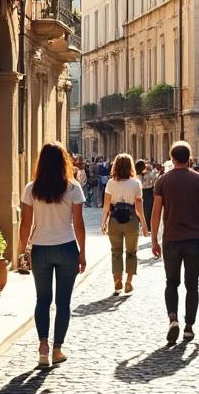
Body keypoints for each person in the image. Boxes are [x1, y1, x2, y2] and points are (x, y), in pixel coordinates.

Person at [18, 142, 87, 369]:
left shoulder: (31, 188)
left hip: (40, 248)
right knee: (63, 302)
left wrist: (22, 250)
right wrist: (83, 253)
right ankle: (57, 349)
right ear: (63, 162)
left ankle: (43, 346)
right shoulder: (73, 188)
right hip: (67, 247)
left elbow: (25, 223)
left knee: (42, 299)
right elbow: (79, 225)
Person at [151, 141, 199, 344]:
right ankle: (189, 327)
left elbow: (156, 212)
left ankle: (173, 318)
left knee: (171, 282)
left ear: (172, 159)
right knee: (192, 285)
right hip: (195, 240)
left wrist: (154, 239)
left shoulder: (162, 181)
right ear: (189, 158)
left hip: (171, 239)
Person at [102, 153, 148, 295]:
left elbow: (106, 206)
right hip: (131, 220)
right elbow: (139, 208)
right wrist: (144, 226)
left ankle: (117, 280)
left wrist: (103, 223)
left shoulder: (110, 183)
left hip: (114, 219)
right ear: (131, 167)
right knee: (131, 252)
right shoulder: (136, 183)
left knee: (116, 252)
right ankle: (128, 282)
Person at [140, 159, 160, 232]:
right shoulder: (139, 174)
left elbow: (154, 180)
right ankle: (145, 225)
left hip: (147, 191)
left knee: (148, 209)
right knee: (145, 209)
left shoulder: (149, 173)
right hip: (144, 191)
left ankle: (147, 226)